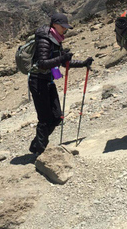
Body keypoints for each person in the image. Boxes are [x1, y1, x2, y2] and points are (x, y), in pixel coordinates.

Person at [29, 13, 93, 155]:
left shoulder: (56, 40)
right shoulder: (45, 40)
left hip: (47, 80)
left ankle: (36, 145)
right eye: (63, 27)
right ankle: (40, 151)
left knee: (57, 116)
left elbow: (64, 62)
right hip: (37, 81)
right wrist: (62, 58)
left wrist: (83, 63)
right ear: (55, 25)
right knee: (45, 118)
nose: (65, 30)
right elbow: (43, 63)